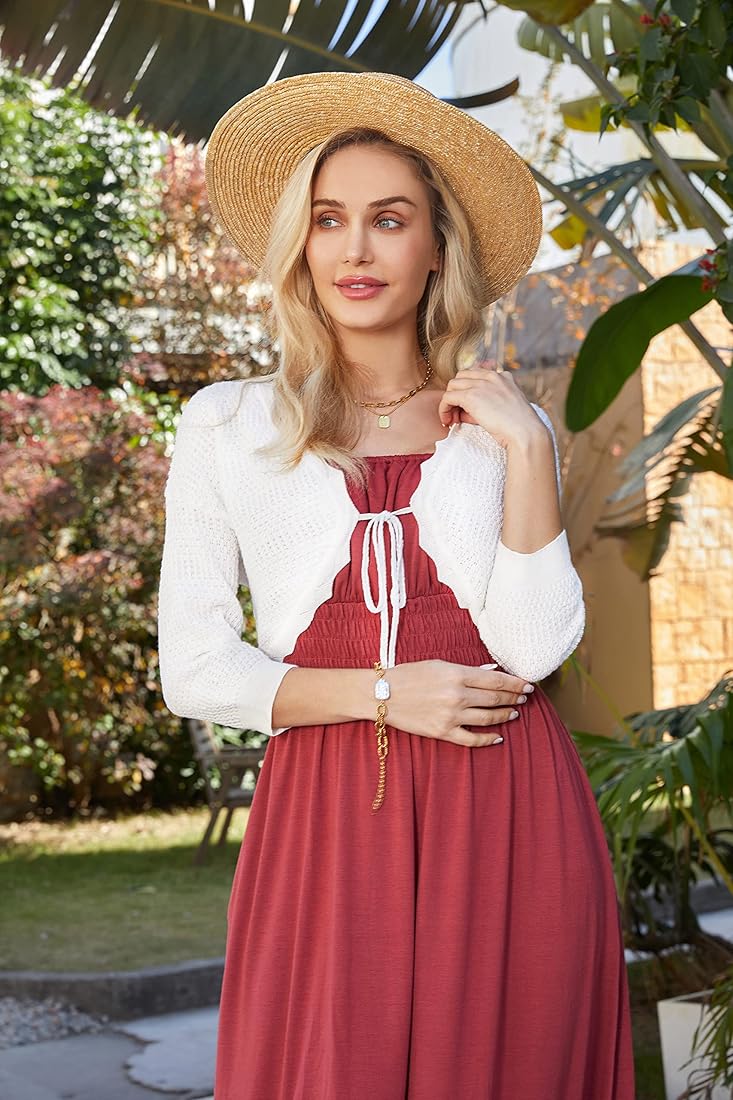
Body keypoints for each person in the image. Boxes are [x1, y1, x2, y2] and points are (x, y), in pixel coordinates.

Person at [157, 72, 636, 1100]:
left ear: (436, 247)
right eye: (330, 220)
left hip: (508, 806)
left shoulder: (504, 421)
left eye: (389, 219)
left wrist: (521, 444)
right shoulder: (226, 425)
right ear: (301, 245)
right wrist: (384, 692)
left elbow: (537, 643)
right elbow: (195, 668)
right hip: (325, 813)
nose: (356, 249)